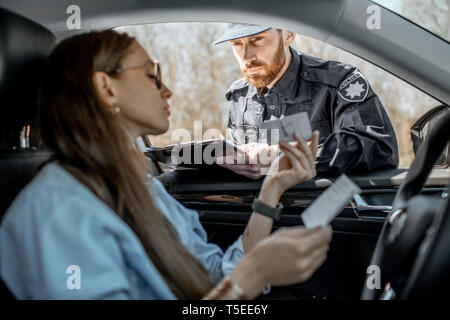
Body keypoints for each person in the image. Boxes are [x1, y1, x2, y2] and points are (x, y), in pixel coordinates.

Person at [0, 30, 332, 299]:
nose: (168, 91)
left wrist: (272, 187)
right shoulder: (56, 211)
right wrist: (253, 275)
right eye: (151, 76)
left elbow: (215, 275)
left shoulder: (146, 190)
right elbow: (231, 284)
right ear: (106, 87)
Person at [214, 24, 399, 179]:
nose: (246, 57)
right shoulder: (238, 97)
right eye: (237, 43)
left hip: (325, 216)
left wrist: (283, 156)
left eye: (257, 39)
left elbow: (379, 147)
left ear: (288, 34)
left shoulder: (339, 82)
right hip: (257, 215)